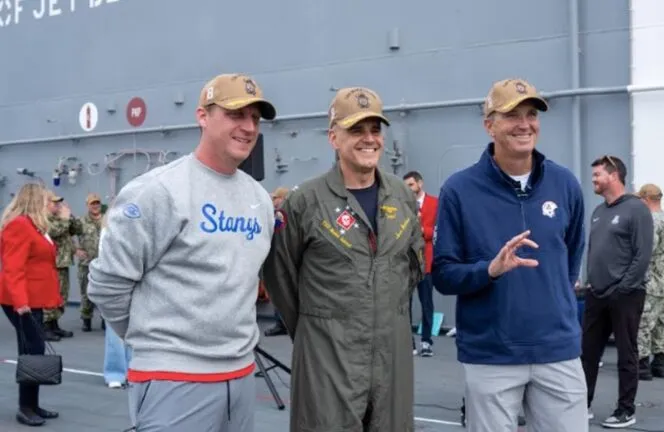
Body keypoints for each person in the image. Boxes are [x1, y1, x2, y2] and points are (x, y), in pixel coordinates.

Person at [87, 72, 277, 432]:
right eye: (236, 114)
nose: (249, 126)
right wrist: (158, 338)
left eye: (254, 117)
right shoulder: (157, 192)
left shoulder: (259, 200)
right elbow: (108, 284)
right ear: (202, 116)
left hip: (239, 375)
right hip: (172, 378)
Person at [263, 86, 425, 432]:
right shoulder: (305, 201)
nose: (369, 139)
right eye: (356, 130)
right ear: (333, 137)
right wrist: (319, 328)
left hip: (391, 355)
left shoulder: (402, 197)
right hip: (328, 357)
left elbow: (411, 269)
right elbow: (280, 277)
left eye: (375, 129)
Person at [432, 78, 588, 432]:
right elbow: (443, 274)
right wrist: (490, 270)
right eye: (511, 115)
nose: (524, 124)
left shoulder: (565, 185)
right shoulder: (459, 190)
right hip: (492, 355)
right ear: (490, 125)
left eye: (531, 114)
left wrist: (551, 306)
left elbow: (571, 257)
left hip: (557, 351)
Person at [580, 155, 654, 429]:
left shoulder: (637, 209)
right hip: (596, 294)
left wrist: (622, 288)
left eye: (597, 175)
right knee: (587, 353)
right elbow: (594, 252)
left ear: (613, 175)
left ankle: (625, 410)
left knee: (626, 353)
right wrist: (588, 282)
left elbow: (642, 255)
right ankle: (581, 404)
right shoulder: (599, 212)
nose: (594, 180)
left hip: (625, 295)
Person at [0, 183, 62, 427]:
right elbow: (13, 267)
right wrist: (21, 303)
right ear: (36, 201)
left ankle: (32, 404)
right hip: (22, 301)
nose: (51, 205)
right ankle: (25, 407)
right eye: (48, 201)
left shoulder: (34, 227)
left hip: (32, 298)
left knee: (33, 352)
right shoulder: (20, 226)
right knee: (31, 353)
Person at [635, 183, 664, 380]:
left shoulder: (650, 222)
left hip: (651, 279)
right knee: (661, 322)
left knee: (643, 322)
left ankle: (642, 365)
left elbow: (647, 252)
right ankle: (659, 363)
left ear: (646, 199)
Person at [403, 170, 438, 357]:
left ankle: (426, 341)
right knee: (405, 305)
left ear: (419, 183)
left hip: (427, 262)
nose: (408, 189)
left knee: (427, 303)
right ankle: (409, 343)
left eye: (410, 185)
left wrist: (421, 230)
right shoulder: (402, 205)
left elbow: (439, 230)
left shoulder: (435, 203)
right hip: (407, 263)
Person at [43, 194, 83, 341]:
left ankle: (54, 325)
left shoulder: (62, 218)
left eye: (59, 203)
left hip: (63, 262)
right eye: (55, 203)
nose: (58, 205)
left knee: (61, 295)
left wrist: (70, 215)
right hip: (51, 263)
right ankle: (45, 326)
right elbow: (54, 231)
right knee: (50, 295)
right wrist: (64, 218)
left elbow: (77, 229)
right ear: (46, 204)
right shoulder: (43, 219)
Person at [263, 186, 290, 337]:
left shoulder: (280, 215)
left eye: (275, 198)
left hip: (280, 260)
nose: (273, 201)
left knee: (279, 292)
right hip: (281, 258)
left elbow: (277, 230)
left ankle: (281, 323)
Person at [75, 192, 104, 332]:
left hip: (105, 264)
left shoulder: (107, 220)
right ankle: (86, 320)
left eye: (97, 203)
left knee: (105, 292)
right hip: (86, 263)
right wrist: (75, 250)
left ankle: (106, 320)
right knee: (86, 292)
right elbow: (65, 236)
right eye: (92, 203)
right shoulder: (80, 221)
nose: (95, 206)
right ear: (87, 205)